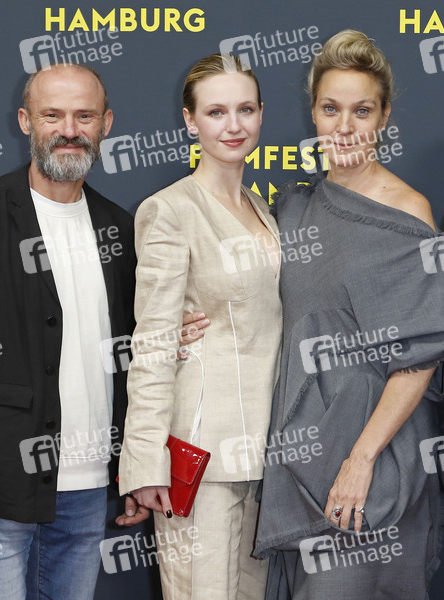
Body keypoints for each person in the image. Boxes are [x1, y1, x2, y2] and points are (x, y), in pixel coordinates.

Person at [0, 63, 150, 599]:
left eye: (84, 116)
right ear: (25, 121)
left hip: (91, 486)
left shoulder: (120, 228)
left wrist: (135, 469)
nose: (69, 129)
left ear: (106, 123)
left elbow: (134, 356)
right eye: (52, 115)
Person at [252, 30, 444, 599]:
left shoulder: (408, 212)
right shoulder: (294, 208)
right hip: (304, 462)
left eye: (361, 111)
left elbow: (420, 357)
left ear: (384, 116)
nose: (344, 127)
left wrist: (360, 460)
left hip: (374, 466)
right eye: (331, 109)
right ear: (314, 114)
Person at [117, 53, 281, 600]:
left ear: (261, 113)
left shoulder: (261, 208)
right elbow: (154, 342)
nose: (233, 125)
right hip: (199, 455)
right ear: (190, 121)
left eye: (245, 109)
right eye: (215, 112)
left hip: (263, 453)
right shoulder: (169, 210)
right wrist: (145, 461)